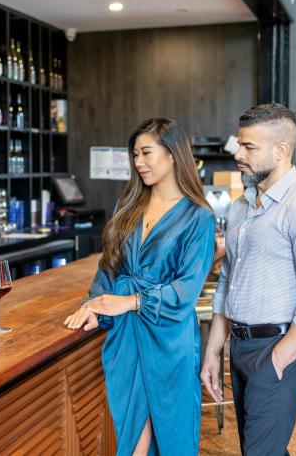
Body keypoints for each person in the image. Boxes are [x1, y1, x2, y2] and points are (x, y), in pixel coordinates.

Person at [64, 117, 215, 455]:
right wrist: (93, 308)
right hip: (126, 334)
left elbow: (186, 292)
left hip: (167, 338)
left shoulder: (198, 217)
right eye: (134, 155)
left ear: (173, 154)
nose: (138, 163)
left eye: (146, 153)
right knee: (134, 432)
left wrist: (132, 301)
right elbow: (110, 264)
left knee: (171, 432)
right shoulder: (128, 205)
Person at [200, 103, 296, 455]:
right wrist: (214, 349)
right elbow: (228, 281)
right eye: (240, 144)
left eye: (249, 147)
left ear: (280, 151)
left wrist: (276, 361)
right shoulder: (241, 207)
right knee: (262, 449)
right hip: (241, 346)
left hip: (278, 349)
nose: (238, 154)